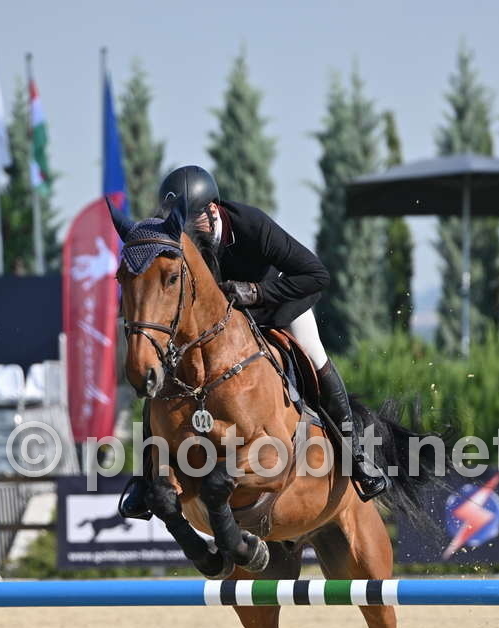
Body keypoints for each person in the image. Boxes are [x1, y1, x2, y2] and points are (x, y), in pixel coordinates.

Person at [120, 165, 388, 519]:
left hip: (277, 307)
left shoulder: (251, 225)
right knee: (164, 378)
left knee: (314, 356)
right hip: (222, 328)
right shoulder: (177, 244)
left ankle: (357, 455)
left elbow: (315, 274)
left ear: (213, 210)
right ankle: (145, 478)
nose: (184, 230)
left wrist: (257, 292)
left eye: (191, 219)